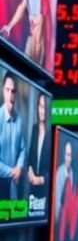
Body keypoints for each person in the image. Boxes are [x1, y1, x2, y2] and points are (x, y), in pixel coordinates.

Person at [0, 72, 26, 200]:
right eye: (7, 90)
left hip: (13, 186)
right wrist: (12, 171)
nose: (10, 95)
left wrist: (19, 166)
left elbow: (23, 148)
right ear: (3, 91)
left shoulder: (19, 120)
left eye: (13, 91)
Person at [27, 93, 51, 200]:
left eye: (44, 107)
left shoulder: (51, 134)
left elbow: (54, 169)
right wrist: (30, 170)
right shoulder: (34, 129)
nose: (42, 111)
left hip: (45, 192)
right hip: (32, 189)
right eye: (40, 106)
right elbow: (30, 157)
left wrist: (41, 180)